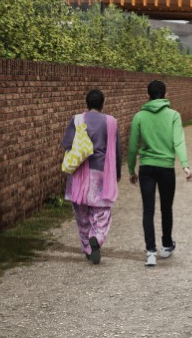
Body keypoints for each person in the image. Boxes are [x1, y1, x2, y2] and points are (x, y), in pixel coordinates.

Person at [128, 80, 192, 267]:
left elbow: (133, 146)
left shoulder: (139, 116)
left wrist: (131, 169)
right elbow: (178, 141)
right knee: (166, 208)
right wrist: (185, 165)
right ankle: (166, 246)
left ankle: (150, 252)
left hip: (147, 167)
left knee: (148, 210)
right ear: (165, 94)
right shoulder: (173, 115)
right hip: (166, 168)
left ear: (147, 95)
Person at [61, 89, 120, 265]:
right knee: (101, 211)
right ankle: (97, 237)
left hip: (79, 173)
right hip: (101, 173)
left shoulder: (77, 119)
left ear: (87, 103)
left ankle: (87, 246)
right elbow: (116, 151)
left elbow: (66, 144)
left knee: (81, 213)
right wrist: (117, 173)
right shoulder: (111, 122)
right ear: (103, 103)